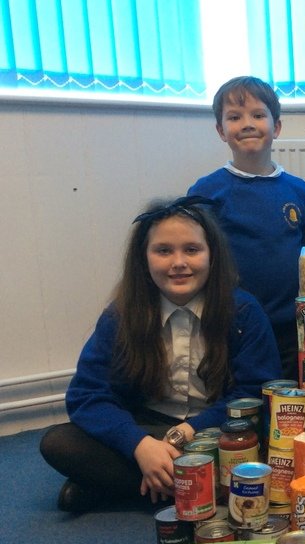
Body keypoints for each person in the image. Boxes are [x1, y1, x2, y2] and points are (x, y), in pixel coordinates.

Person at [40, 197, 282, 513]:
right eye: (163, 251)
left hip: (216, 431)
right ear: (144, 258)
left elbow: (254, 393)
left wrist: (186, 433)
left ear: (212, 256)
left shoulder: (244, 312)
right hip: (148, 428)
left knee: (265, 453)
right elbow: (87, 396)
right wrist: (140, 447)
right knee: (58, 444)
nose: (178, 262)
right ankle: (180, 483)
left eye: (192, 250)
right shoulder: (121, 315)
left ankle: (116, 487)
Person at [189, 76, 305, 381]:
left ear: (277, 127)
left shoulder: (298, 191)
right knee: (243, 400)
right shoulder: (206, 191)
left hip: (291, 325)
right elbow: (198, 260)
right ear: (221, 131)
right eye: (235, 117)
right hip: (234, 325)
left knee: (290, 401)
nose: (247, 124)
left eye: (258, 115)